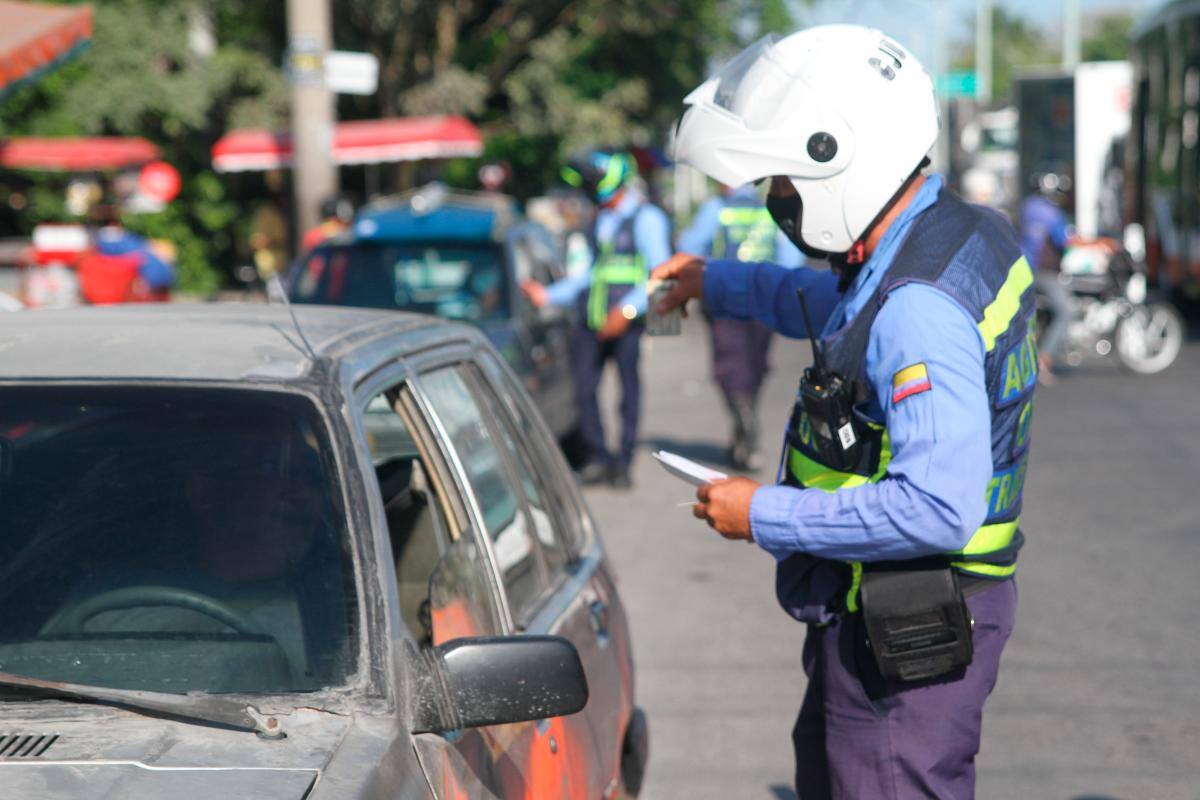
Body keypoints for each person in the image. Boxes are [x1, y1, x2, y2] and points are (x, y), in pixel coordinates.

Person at [653, 26, 1035, 798]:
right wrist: (717, 282)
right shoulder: (953, 235)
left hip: (906, 629)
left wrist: (763, 513)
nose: (775, 201)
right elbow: (847, 309)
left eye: (783, 182)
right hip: (896, 612)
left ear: (839, 164)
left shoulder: (917, 310)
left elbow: (935, 507)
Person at [523, 149, 672, 489]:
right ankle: (598, 458)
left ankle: (623, 463)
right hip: (590, 322)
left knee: (628, 394)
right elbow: (589, 273)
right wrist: (547, 295)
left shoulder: (647, 219)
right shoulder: (597, 219)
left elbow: (662, 275)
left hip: (627, 324)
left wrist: (628, 312)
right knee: (584, 391)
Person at [678, 184, 805, 470]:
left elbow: (689, 247)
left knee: (730, 365)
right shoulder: (768, 211)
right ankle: (744, 428)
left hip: (723, 300)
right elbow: (791, 258)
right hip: (764, 300)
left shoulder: (716, 209)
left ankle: (744, 424)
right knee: (754, 366)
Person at [1019, 171, 1074, 380]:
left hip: (1022, 270)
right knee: (1066, 311)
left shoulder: (1028, 207)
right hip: (1042, 272)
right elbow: (1066, 240)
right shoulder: (1051, 213)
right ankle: (1045, 358)